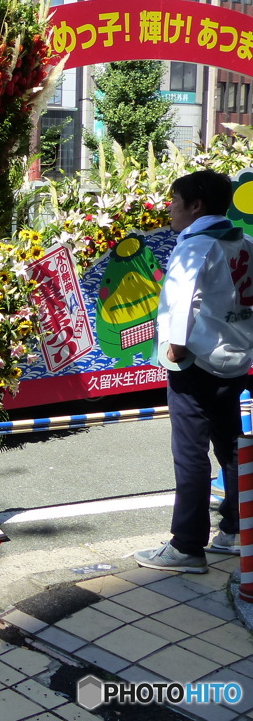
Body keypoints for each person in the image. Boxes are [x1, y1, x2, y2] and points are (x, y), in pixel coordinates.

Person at [134, 169, 253, 574]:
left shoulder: (195, 246)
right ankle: (237, 531)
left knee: (190, 455)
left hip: (197, 363)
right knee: (233, 448)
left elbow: (181, 301)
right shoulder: (245, 243)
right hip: (237, 361)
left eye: (174, 201)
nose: (170, 209)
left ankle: (187, 546)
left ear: (196, 205)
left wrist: (175, 350)